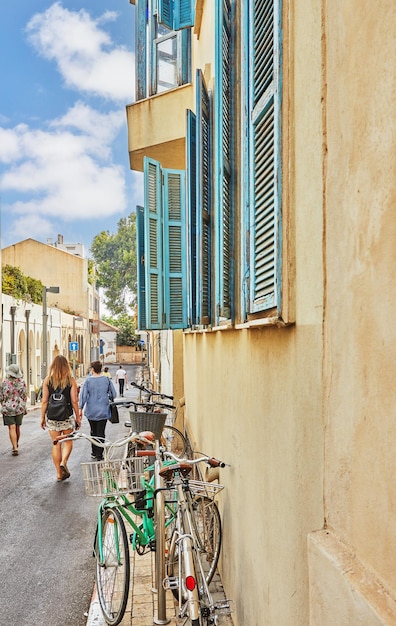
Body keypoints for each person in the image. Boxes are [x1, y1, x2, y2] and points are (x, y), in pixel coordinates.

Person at [41, 355, 81, 481]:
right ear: (66, 366)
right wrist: (77, 417)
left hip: (52, 417)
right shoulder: (71, 380)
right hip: (67, 416)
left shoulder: (48, 380)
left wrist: (42, 417)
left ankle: (59, 473)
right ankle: (64, 462)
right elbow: (74, 401)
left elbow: (44, 401)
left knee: (56, 443)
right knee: (68, 441)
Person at [79, 361, 117, 461]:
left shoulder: (88, 381)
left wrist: (80, 408)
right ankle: (100, 454)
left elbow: (83, 396)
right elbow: (114, 394)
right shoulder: (106, 380)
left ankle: (94, 452)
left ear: (92, 369)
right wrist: (106, 396)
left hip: (91, 410)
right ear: (100, 369)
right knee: (101, 432)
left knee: (93, 431)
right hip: (103, 410)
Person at [0, 364, 28, 456]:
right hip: (19, 408)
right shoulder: (22, 382)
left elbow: (1, 396)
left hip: (8, 409)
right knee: (17, 427)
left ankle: (15, 447)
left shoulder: (4, 383)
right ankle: (16, 444)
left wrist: (3, 404)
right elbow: (24, 396)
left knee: (11, 427)